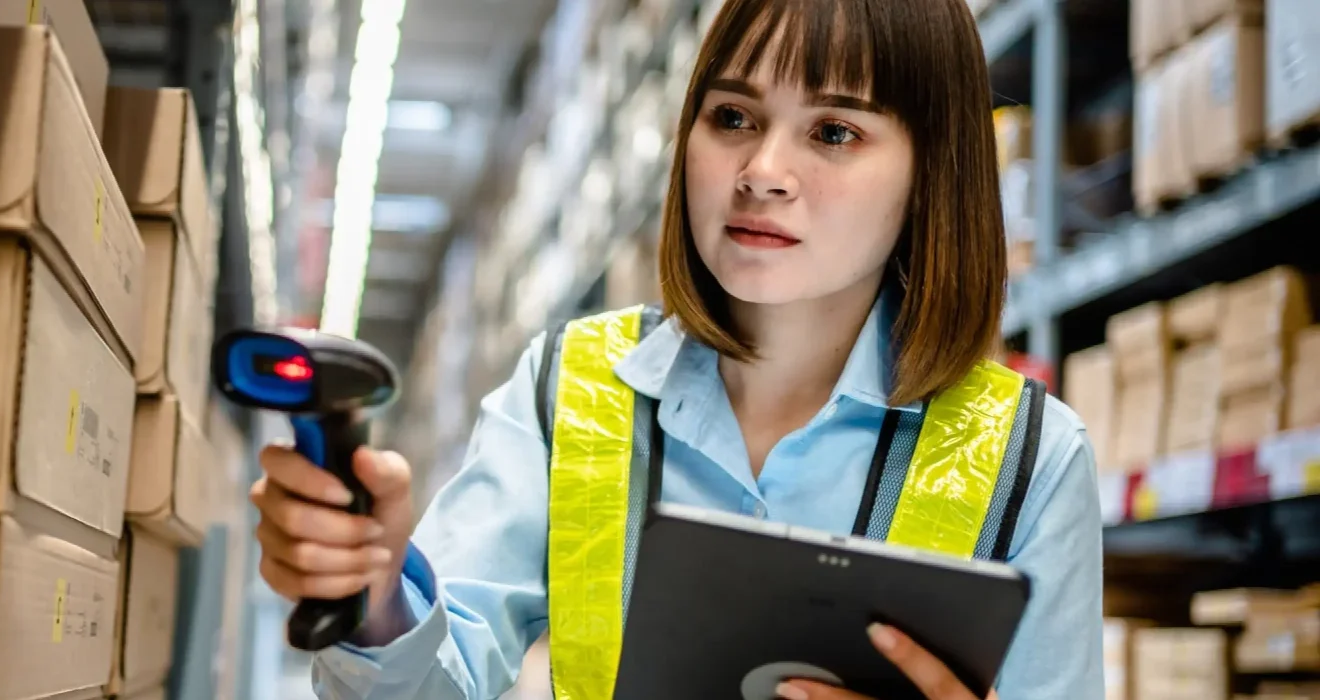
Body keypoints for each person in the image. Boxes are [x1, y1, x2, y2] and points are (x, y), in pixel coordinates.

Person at [249, 0, 1104, 697]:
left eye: (835, 132)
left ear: (934, 173)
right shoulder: (571, 388)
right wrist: (373, 594)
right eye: (733, 116)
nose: (762, 170)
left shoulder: (1030, 459)